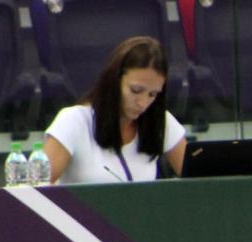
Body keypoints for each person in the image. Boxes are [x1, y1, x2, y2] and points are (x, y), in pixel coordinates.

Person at [41, 36, 187, 185]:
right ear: (114, 80)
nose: (143, 103)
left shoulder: (160, 121)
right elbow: (36, 188)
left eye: (152, 94)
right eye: (135, 90)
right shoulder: (74, 120)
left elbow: (203, 181)